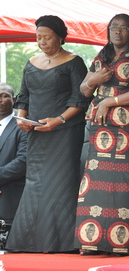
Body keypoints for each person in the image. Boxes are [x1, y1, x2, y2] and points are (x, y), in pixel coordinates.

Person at [7, 15, 89, 253]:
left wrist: (59, 119)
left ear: (60, 37)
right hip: (36, 132)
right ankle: (28, 241)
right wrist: (21, 117)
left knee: (61, 183)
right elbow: (23, 95)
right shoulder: (31, 61)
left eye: (47, 37)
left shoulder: (74, 62)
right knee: (35, 183)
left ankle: (63, 243)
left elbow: (81, 98)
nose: (41, 41)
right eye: (38, 37)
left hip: (64, 131)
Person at [76, 13, 129, 255]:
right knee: (96, 182)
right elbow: (84, 90)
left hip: (128, 129)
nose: (118, 32)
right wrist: (93, 80)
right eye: (114, 27)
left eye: (124, 28)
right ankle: (93, 242)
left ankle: (124, 243)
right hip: (101, 129)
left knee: (125, 183)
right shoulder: (101, 55)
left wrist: (110, 101)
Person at [0, 83, 27, 227]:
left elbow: (23, 161)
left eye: (4, 96)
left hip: (10, 195)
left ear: (14, 99)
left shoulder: (22, 125)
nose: (0, 100)